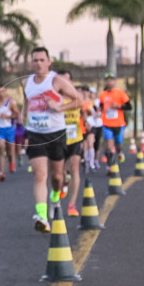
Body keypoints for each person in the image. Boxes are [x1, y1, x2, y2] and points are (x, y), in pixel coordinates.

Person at [20, 47, 82, 232]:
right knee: (40, 174)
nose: (38, 63)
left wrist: (60, 108)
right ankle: (42, 216)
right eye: (35, 60)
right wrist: (24, 117)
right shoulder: (26, 82)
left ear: (49, 62)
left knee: (57, 177)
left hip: (56, 133)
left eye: (41, 60)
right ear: (31, 63)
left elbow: (78, 101)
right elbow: (26, 101)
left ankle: (55, 197)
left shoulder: (57, 81)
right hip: (35, 133)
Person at [57, 70, 85, 216]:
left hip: (75, 138)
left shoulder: (77, 97)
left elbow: (85, 111)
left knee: (75, 168)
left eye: (67, 80)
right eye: (61, 80)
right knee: (59, 173)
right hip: (58, 138)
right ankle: (63, 184)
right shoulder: (54, 98)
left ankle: (72, 205)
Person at [99, 72, 132, 166]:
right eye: (107, 80)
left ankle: (119, 151)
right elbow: (100, 107)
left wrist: (119, 106)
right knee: (109, 145)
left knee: (118, 143)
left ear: (114, 81)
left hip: (119, 123)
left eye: (111, 80)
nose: (109, 82)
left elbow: (129, 107)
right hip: (106, 123)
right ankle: (110, 165)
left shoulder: (120, 93)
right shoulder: (102, 95)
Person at [0, 87, 21, 181]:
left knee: (10, 150)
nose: (1, 93)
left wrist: (8, 116)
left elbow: (17, 114)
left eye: (3, 91)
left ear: (5, 92)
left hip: (9, 129)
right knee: (1, 148)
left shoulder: (10, 103)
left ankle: (11, 162)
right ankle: (1, 172)